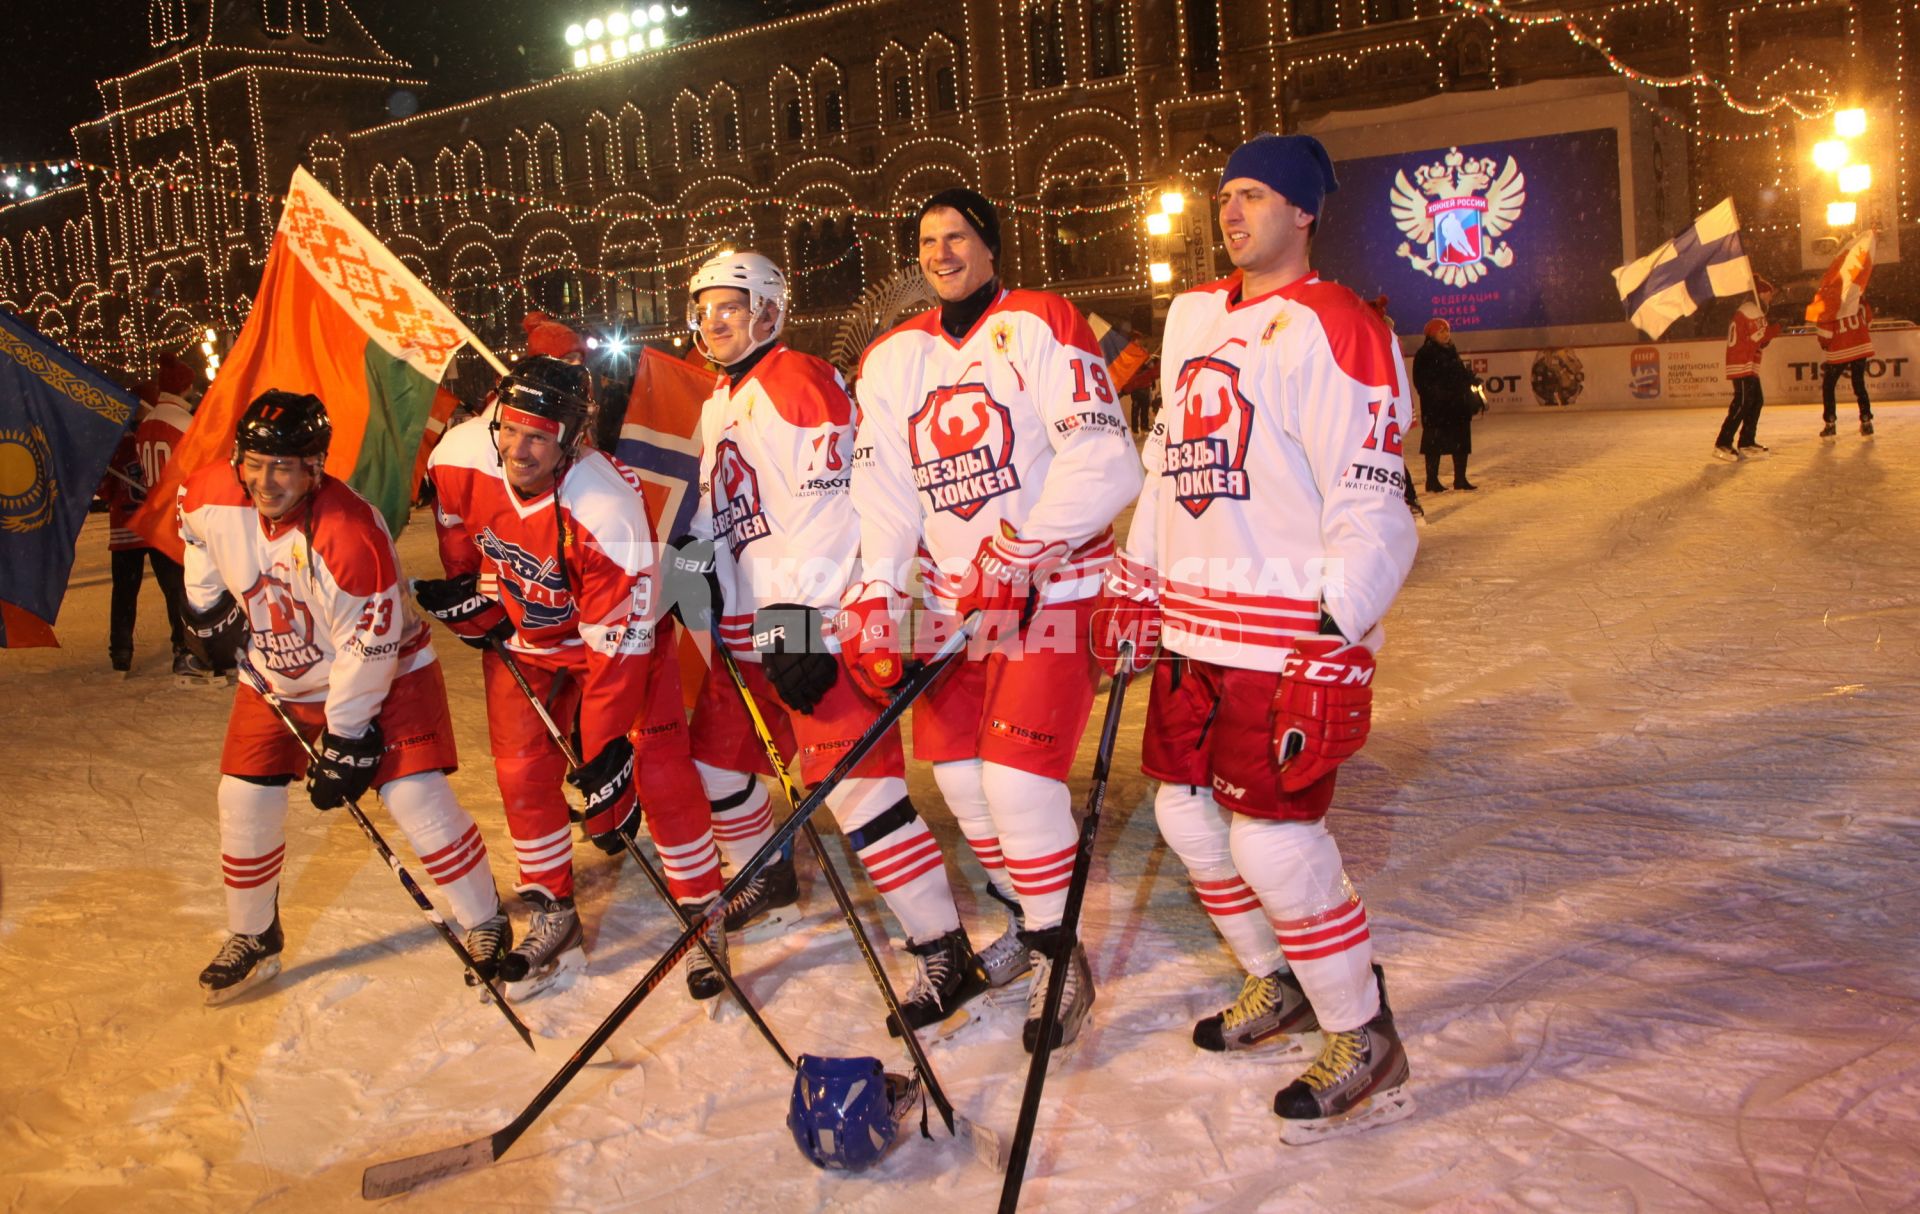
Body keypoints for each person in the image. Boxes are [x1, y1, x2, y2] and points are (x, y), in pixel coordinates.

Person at [1099, 133, 1418, 1143]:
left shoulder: (1340, 327)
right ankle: (1272, 977)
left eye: (1253, 195)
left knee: (1272, 840)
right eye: (1225, 197)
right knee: (1187, 821)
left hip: (1281, 632)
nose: (1230, 212)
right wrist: (1136, 574)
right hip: (1196, 627)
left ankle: (1362, 1025)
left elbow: (1374, 504)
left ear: (1304, 210)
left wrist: (1339, 634)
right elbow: (1167, 464)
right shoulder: (1195, 314)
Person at [847, 188, 1143, 1052]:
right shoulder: (892, 357)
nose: (942, 253)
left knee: (1017, 781)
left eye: (958, 237)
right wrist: (876, 585)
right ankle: (1026, 915)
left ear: (990, 246)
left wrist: (1023, 553)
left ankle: (1058, 950)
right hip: (950, 602)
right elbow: (885, 490)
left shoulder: (1041, 322)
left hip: (1053, 590)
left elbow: (1103, 457)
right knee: (966, 785)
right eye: (928, 241)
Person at [680, 250, 987, 1032]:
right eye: (705, 306)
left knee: (860, 794)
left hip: (810, 624)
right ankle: (768, 871)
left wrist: (801, 616)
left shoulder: (798, 380)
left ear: (769, 312)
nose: (714, 320)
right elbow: (721, 512)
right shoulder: (720, 400)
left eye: (729, 305)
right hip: (753, 630)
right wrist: (696, 575)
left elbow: (833, 509)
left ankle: (942, 947)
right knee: (719, 763)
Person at [176, 391, 511, 1004]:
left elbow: (369, 647)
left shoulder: (350, 533)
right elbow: (192, 531)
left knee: (415, 798)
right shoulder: (212, 492)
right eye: (253, 461)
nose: (264, 480)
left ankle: (484, 919)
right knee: (242, 798)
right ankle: (253, 933)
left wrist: (348, 736)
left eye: (283, 466)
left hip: (385, 677)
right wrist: (204, 605)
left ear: (315, 467)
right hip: (276, 673)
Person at [417, 356, 728, 1001]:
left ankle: (704, 907)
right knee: (520, 770)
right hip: (529, 638)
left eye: (540, 437)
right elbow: (460, 536)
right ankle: (552, 905)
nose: (519, 450)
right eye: (511, 430)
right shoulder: (457, 455)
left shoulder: (604, 505)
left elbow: (619, 646)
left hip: (619, 642)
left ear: (571, 439)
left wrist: (606, 747)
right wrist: (470, 599)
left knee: (654, 768)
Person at [99, 382, 191, 676]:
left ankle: (121, 652)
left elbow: (106, 489)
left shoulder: (120, 445)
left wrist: (117, 496)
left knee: (127, 592)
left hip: (128, 529)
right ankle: (182, 645)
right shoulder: (155, 438)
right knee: (174, 589)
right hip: (155, 529)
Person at [1412, 318, 1482, 492]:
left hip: (1457, 406)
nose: (1446, 334)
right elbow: (1421, 381)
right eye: (1441, 331)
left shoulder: (1451, 350)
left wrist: (1470, 379)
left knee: (1461, 442)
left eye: (1447, 330)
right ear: (1432, 334)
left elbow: (1457, 374)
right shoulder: (1425, 353)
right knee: (1434, 445)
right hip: (1437, 409)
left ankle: (1460, 479)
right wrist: (1438, 395)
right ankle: (1432, 481)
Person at [1714, 277, 1779, 460]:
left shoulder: (1751, 309)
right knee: (1742, 403)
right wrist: (1777, 327)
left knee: (1755, 401)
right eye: (1768, 295)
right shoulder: (1752, 309)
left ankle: (1746, 442)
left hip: (1746, 362)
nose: (1770, 299)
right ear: (1761, 293)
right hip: (1742, 361)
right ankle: (1723, 442)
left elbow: (1760, 341)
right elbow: (1762, 338)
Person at [1817, 294, 1875, 439]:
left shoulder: (1830, 301)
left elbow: (1825, 333)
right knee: (1859, 384)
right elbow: (1868, 321)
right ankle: (1866, 420)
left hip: (1839, 349)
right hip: (1861, 345)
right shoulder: (1858, 298)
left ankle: (1830, 422)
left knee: (1829, 386)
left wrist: (1824, 344)